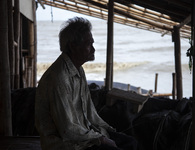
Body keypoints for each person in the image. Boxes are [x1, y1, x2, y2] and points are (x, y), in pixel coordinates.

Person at [35, 17, 137, 150]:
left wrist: (108, 132)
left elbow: (90, 114)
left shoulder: (78, 69)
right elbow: (68, 130)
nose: (93, 49)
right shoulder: (58, 78)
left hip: (82, 136)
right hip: (64, 144)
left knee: (130, 142)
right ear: (73, 46)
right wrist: (101, 139)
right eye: (89, 44)